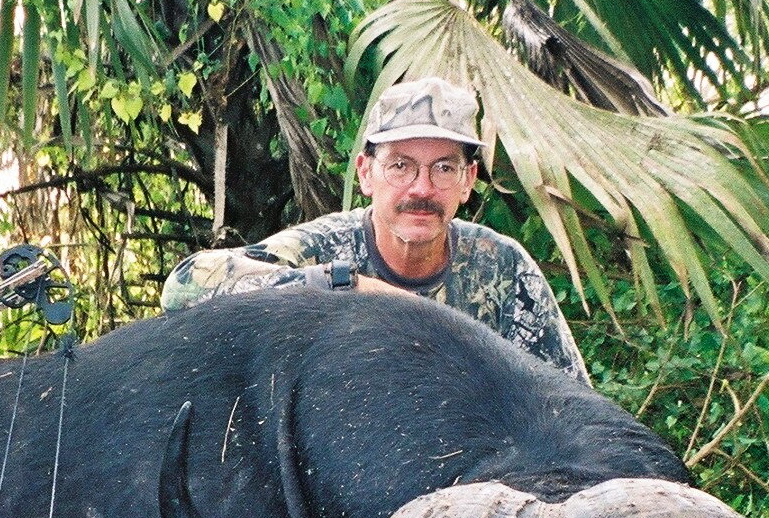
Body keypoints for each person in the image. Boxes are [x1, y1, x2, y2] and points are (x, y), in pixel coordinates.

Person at [159, 76, 589, 384]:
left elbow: (569, 400)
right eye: (400, 165)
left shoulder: (503, 270)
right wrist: (343, 285)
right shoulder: (326, 248)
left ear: (468, 180)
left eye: (443, 168)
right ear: (366, 174)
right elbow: (184, 287)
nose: (421, 188)